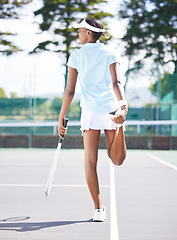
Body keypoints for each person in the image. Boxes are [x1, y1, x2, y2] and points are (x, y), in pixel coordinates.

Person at [58, 18, 128, 222]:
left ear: (89, 33)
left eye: (80, 30)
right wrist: (123, 106)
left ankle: (98, 209)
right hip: (110, 109)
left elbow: (70, 90)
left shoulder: (76, 55)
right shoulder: (110, 53)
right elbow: (117, 82)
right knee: (117, 160)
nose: (78, 33)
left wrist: (61, 117)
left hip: (90, 112)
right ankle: (121, 124)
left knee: (90, 161)